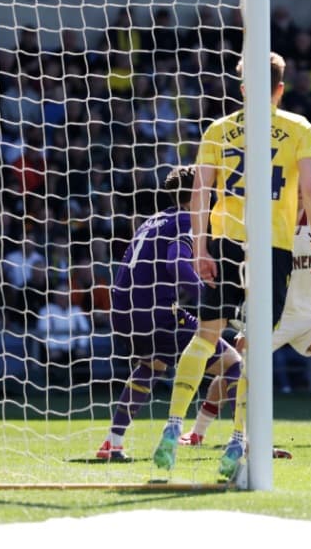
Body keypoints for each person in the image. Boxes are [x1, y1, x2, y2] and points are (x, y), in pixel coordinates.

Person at [153, 52, 311, 482]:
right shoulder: (298, 128)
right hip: (272, 246)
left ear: (244, 88)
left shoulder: (217, 129)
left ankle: (173, 425)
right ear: (280, 89)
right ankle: (237, 439)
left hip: (225, 240)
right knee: (255, 346)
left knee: (206, 335)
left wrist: (199, 247)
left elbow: (200, 192)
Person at [183, 204, 311, 448]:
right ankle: (198, 430)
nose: (300, 194)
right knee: (240, 367)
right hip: (270, 315)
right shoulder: (264, 225)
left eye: (305, 189)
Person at [98, 166, 242, 461]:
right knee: (233, 364)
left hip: (123, 314)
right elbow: (176, 262)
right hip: (158, 313)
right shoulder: (188, 219)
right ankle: (245, 441)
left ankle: (113, 442)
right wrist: (210, 299)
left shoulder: (153, 220)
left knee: (153, 366)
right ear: (197, 193)